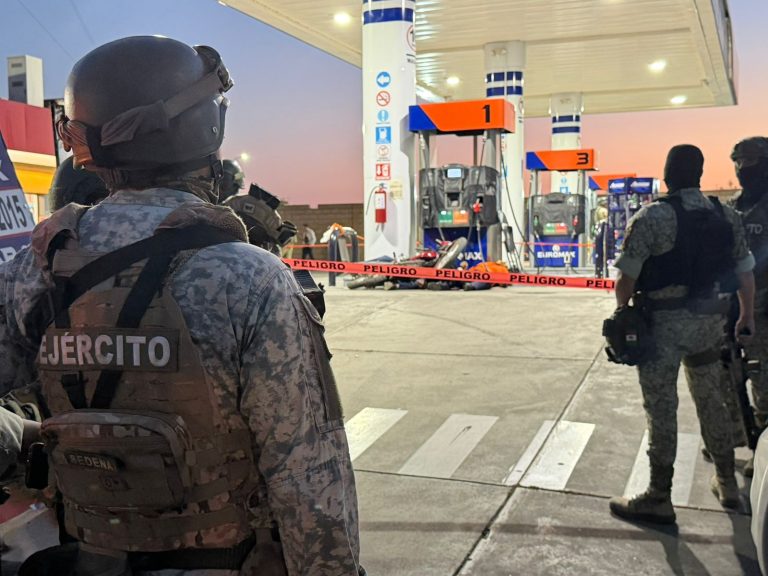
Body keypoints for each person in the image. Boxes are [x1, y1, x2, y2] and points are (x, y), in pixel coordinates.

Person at [0, 36, 362, 575]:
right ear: (203, 128)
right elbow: (308, 479)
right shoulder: (252, 278)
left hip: (89, 562)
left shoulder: (34, 268)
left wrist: (42, 450)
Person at [608, 144, 755, 524]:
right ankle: (727, 483)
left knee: (661, 407)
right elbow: (745, 273)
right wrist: (746, 315)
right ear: (701, 173)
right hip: (709, 325)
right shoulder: (726, 216)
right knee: (711, 400)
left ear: (668, 174)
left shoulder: (653, 217)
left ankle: (659, 495)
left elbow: (626, 278)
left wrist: (623, 313)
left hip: (662, 330)